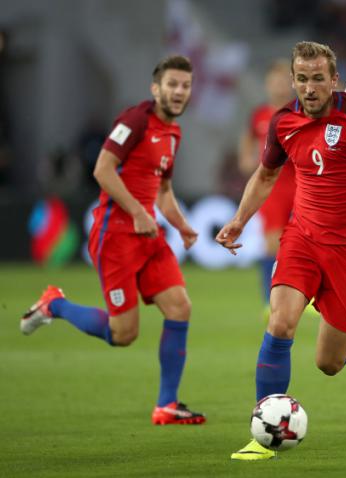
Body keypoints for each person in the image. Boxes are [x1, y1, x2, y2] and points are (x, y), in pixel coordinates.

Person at [217, 41, 346, 460]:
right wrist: (239, 220)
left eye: (318, 79)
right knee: (281, 322)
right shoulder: (282, 122)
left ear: (334, 80)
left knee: (328, 363)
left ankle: (340, 329)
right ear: (293, 80)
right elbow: (265, 175)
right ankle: (263, 431)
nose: (310, 88)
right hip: (302, 239)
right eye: (302, 79)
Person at [20, 55, 206, 425]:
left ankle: (166, 405)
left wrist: (182, 225)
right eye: (172, 84)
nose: (179, 91)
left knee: (180, 308)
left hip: (148, 235)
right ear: (156, 88)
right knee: (124, 335)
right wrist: (137, 211)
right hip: (116, 236)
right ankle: (55, 304)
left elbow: (164, 190)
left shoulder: (173, 133)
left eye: (185, 85)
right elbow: (102, 169)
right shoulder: (135, 120)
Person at [237, 60, 297, 319]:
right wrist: (246, 158)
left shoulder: (301, 111)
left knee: (302, 242)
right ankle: (268, 300)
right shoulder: (260, 115)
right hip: (273, 187)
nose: (280, 86)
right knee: (272, 245)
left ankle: (308, 297)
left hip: (301, 184)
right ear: (267, 84)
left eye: (284, 81)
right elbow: (248, 137)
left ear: (292, 84)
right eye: (275, 81)